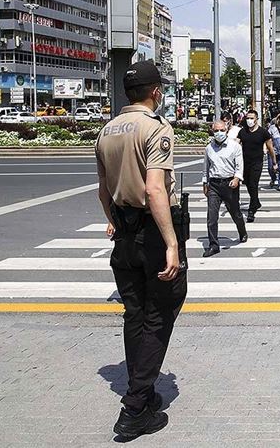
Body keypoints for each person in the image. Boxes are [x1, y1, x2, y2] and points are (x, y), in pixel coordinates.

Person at [94, 60, 187, 438]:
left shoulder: (106, 131)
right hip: (152, 230)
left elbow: (103, 190)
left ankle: (143, 392)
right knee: (161, 311)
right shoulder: (155, 128)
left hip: (123, 230)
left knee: (134, 314)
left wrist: (114, 220)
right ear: (156, 92)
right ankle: (134, 407)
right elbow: (154, 188)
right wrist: (171, 243)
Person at [202, 119, 248, 257]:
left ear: (227, 130)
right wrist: (205, 183)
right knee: (212, 217)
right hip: (214, 185)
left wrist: (237, 178)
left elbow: (239, 166)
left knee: (235, 213)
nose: (219, 133)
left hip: (229, 184)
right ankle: (213, 245)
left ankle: (242, 231)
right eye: (216, 130)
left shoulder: (235, 146)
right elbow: (206, 167)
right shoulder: (209, 148)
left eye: (222, 130)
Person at [237, 109, 276, 223]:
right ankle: (256, 202)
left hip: (257, 163)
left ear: (256, 119)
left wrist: (274, 162)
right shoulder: (243, 131)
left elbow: (270, 148)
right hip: (245, 163)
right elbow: (236, 145)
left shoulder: (263, 132)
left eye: (251, 118)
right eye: (247, 118)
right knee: (248, 184)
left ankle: (251, 210)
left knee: (253, 184)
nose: (249, 120)